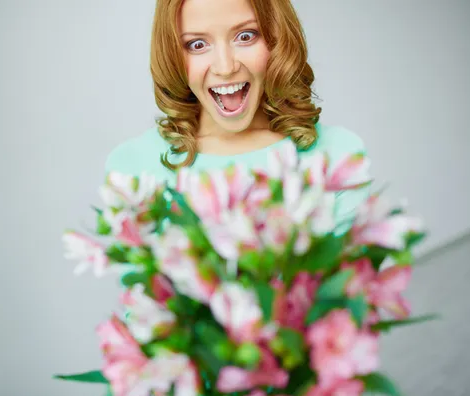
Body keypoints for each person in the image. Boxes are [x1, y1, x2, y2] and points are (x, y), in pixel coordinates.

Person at [104, 0, 371, 233]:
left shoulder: (338, 157)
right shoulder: (132, 168)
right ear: (172, 55)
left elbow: (351, 284)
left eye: (245, 36)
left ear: (276, 37)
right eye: (197, 44)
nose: (225, 66)